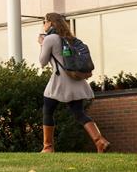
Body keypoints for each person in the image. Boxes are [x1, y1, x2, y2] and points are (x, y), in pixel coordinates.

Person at [38, 12, 111, 153]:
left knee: (48, 111)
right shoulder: (70, 39)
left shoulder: (50, 38)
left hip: (59, 82)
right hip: (76, 80)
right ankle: (100, 141)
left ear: (51, 23)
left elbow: (42, 62)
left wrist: (42, 44)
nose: (44, 25)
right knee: (79, 113)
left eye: (44, 22)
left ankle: (48, 147)